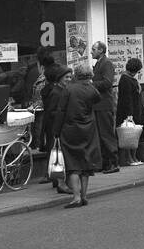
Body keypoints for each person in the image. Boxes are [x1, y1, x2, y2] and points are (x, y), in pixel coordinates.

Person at [47, 62, 100, 208]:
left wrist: (56, 132)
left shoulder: (68, 89)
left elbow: (61, 111)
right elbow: (97, 99)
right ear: (89, 75)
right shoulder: (92, 89)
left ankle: (76, 197)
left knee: (73, 164)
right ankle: (84, 196)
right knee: (85, 164)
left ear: (76, 74)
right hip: (88, 129)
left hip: (70, 130)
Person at [41, 65, 75, 195]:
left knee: (60, 156)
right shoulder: (56, 92)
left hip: (61, 128)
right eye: (66, 77)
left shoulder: (63, 90)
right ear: (60, 78)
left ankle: (59, 181)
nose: (69, 79)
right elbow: (51, 112)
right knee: (60, 156)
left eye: (70, 77)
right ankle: (61, 183)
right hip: (57, 129)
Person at [89, 42, 119, 174]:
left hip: (104, 104)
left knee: (106, 134)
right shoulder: (99, 63)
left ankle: (113, 162)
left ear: (101, 50)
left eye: (94, 49)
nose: (91, 52)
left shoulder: (106, 63)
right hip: (98, 105)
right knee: (100, 135)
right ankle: (105, 163)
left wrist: (91, 84)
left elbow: (107, 82)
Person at [115, 56, 144, 167]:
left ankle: (134, 156)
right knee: (129, 135)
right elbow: (127, 99)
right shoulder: (125, 79)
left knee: (134, 135)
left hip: (135, 110)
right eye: (136, 71)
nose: (136, 73)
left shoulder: (130, 78)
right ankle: (129, 158)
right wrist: (129, 115)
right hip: (129, 112)